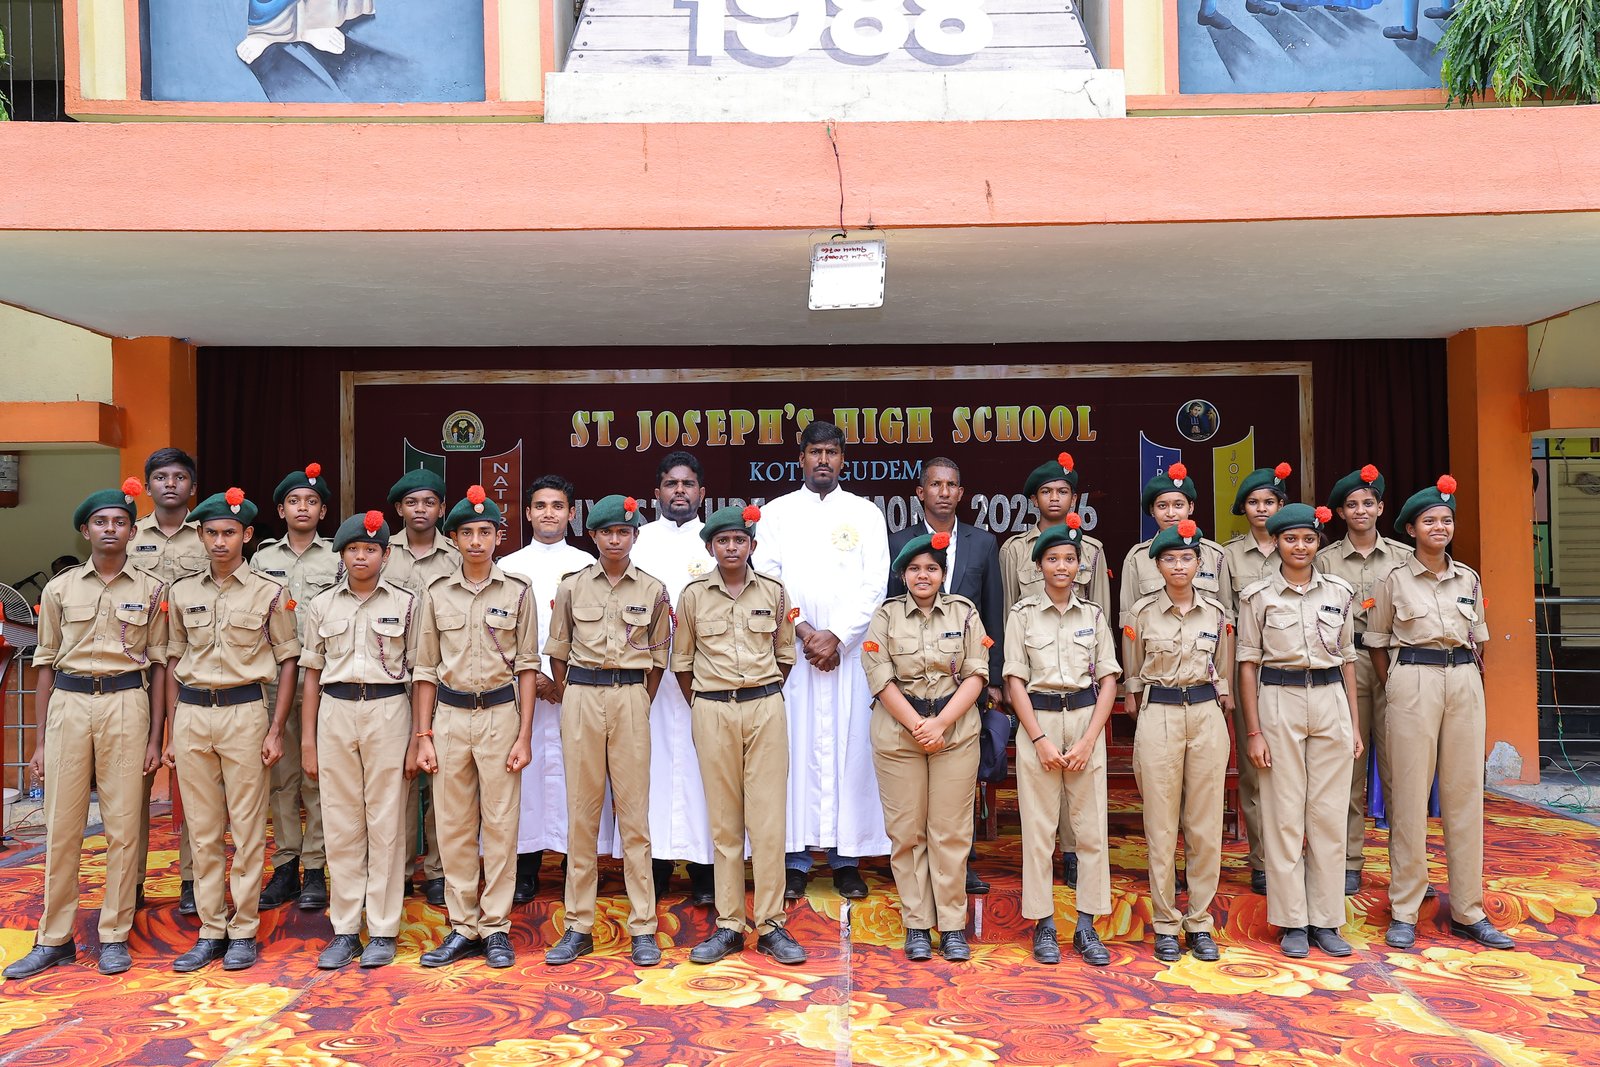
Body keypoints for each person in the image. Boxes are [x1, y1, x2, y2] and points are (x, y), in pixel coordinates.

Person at [4, 481, 169, 980]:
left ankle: (114, 934)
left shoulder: (153, 590)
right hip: (70, 705)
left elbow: (160, 665)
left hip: (126, 702)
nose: (110, 529)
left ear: (132, 531)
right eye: (101, 522)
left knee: (123, 825)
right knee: (61, 825)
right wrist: (39, 742)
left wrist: (156, 738)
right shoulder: (59, 590)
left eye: (120, 522)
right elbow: (45, 665)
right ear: (85, 530)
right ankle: (54, 938)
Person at [1366, 475, 1513, 952]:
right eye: (1429, 520)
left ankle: (1469, 910)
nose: (1440, 527)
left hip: (1464, 679)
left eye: (1446, 520)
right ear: (1411, 529)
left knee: (1465, 794)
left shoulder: (1468, 578)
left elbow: (1480, 638)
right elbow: (1378, 643)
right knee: (1408, 795)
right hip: (1413, 678)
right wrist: (1398, 684)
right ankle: (1406, 908)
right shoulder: (1392, 579)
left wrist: (1464, 678)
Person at [750, 421, 891, 901]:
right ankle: (794, 859)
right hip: (796, 656)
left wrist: (839, 637)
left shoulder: (865, 513)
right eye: (815, 452)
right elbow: (769, 580)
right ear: (802, 458)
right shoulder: (776, 513)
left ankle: (846, 859)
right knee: (792, 752)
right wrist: (807, 632)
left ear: (843, 459)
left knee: (852, 751)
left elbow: (875, 584)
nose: (823, 460)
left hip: (850, 657)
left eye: (831, 452)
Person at [162, 488, 300, 973]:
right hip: (193, 713)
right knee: (202, 832)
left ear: (247, 535)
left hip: (245, 713)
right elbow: (173, 658)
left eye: (229, 532)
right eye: (211, 533)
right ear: (200, 537)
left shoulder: (270, 592)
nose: (220, 541)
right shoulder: (181, 592)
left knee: (247, 828)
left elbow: (288, 660)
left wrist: (276, 728)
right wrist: (172, 728)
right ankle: (210, 929)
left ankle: (243, 929)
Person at [410, 487, 538, 970]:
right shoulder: (436, 592)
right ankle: (463, 926)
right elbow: (425, 668)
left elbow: (527, 665)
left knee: (501, 825)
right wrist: (423, 736)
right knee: (454, 826)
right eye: (467, 533)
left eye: (486, 532)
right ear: (455, 539)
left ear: (499, 537)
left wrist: (524, 735)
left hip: (501, 715)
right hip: (449, 717)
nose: (477, 541)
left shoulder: (518, 590)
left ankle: (496, 926)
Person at [543, 494, 673, 967]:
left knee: (635, 817)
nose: (615, 539)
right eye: (606, 532)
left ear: (635, 536)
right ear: (593, 536)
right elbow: (558, 651)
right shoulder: (573, 586)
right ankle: (578, 925)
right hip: (581, 694)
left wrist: (637, 698)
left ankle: (643, 926)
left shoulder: (654, 589)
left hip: (631, 695)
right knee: (581, 814)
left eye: (623, 532)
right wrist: (574, 694)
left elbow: (658, 658)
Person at [674, 504, 807, 965]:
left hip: (765, 707)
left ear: (752, 545)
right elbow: (683, 663)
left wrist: (759, 695)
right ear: (710, 547)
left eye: (739, 540)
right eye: (722, 541)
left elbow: (785, 655)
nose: (731, 548)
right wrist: (707, 704)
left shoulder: (773, 591)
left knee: (768, 823)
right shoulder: (693, 596)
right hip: (712, 710)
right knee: (724, 823)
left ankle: (771, 925)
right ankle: (729, 924)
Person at [1236, 503, 1361, 960]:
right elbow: (1247, 664)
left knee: (1328, 816)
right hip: (1279, 699)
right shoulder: (1257, 597)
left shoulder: (1339, 592)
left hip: (1330, 699)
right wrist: (1254, 732)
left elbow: (1348, 660)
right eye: (1290, 539)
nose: (1300, 547)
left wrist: (1354, 725)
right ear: (1277, 543)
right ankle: (1291, 919)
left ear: (1318, 541)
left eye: (1308, 539)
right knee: (1284, 813)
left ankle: (1326, 919)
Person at [863, 530, 989, 962]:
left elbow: (977, 673)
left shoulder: (965, 612)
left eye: (931, 568)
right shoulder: (885, 616)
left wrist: (941, 724)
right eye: (914, 569)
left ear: (943, 574)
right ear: (903, 575)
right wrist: (920, 725)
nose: (923, 575)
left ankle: (951, 926)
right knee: (907, 832)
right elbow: (879, 677)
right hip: (900, 732)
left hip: (954, 732)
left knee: (950, 832)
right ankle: (917, 923)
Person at [299, 511, 417, 970]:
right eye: (353, 549)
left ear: (385, 555)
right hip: (335, 710)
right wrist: (307, 740)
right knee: (341, 822)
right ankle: (346, 929)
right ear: (342, 555)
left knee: (386, 822)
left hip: (389, 709)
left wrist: (417, 737)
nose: (362, 556)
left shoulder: (407, 603)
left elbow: (419, 672)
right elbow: (312, 674)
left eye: (371, 549)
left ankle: (384, 929)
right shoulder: (322, 605)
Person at [1004, 516, 1120, 966]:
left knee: (1091, 830)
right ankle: (1044, 924)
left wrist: (1091, 739)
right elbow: (1014, 681)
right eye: (1052, 559)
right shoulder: (1022, 615)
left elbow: (1108, 679)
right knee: (1039, 832)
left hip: (1086, 722)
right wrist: (1038, 739)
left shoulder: (1093, 615)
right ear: (1039, 566)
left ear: (1080, 566)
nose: (1062, 566)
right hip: (1040, 723)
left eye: (1070, 559)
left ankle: (1087, 926)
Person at [887, 457, 1004, 895]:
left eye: (951, 485)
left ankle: (961, 863)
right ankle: (916, 870)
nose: (943, 491)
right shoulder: (899, 541)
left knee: (960, 780)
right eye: (934, 484)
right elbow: (890, 610)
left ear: (961, 493)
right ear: (920, 492)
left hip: (965, 680)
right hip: (913, 684)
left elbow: (992, 607)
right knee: (913, 788)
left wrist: (994, 677)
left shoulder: (983, 542)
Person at [999, 453, 1110, 891]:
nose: (1055, 498)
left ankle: (1073, 853)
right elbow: (1008, 608)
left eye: (1063, 491)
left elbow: (1099, 612)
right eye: (1046, 491)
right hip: (1035, 676)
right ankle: (1044, 893)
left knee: (1083, 791)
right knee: (1042, 787)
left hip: (1081, 684)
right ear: (1033, 499)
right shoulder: (1014, 550)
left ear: (1074, 498)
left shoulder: (1092, 550)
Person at [1123, 519, 1231, 964]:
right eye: (1170, 558)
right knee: (1161, 826)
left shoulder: (1217, 614)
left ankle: (1200, 922)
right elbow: (1133, 676)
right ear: (1158, 565)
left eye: (1187, 558)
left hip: (1205, 713)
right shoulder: (1140, 614)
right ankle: (1167, 922)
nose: (1179, 565)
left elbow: (1223, 671)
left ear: (1199, 562)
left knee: (1204, 826)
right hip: (1160, 713)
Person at [498, 475, 599, 903]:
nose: (548, 514)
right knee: (526, 778)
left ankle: (579, 868)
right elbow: (497, 633)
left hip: (576, 688)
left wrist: (561, 681)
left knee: (578, 776)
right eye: (540, 506)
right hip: (521, 691)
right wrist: (534, 678)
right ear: (527, 513)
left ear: (572, 513)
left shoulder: (588, 565)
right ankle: (526, 868)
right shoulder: (508, 566)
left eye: (558, 506)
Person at [1316, 464, 1413, 895]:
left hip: (1394, 662)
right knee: (1347, 768)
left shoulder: (1403, 556)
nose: (1360, 510)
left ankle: (1406, 868)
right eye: (1352, 504)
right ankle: (1349, 861)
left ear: (1381, 508)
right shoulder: (1324, 560)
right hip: (1345, 663)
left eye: (1368, 503)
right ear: (1340, 512)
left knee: (1400, 770)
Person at [252, 462, 339, 914]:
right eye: (293, 501)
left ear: (322, 511)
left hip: (324, 683)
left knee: (318, 777)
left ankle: (316, 867)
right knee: (280, 778)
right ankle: (286, 864)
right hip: (274, 682)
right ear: (281, 510)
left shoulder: (338, 557)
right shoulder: (261, 559)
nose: (302, 507)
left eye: (311, 501)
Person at [630, 451, 716, 906]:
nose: (679, 491)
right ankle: (656, 866)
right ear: (657, 492)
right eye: (670, 483)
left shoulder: (716, 541)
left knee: (707, 769)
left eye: (687, 484)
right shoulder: (637, 540)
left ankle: (706, 869)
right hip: (650, 678)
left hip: (706, 674)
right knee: (651, 767)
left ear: (702, 492)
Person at [130, 446, 204, 914]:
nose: (170, 484)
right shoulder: (129, 534)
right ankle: (131, 881)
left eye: (179, 477)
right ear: (147, 485)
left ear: (192, 486)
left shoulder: (211, 534)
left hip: (193, 666)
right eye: (161, 477)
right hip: (137, 668)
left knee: (195, 786)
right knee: (131, 786)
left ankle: (194, 879)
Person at [384, 468, 458, 907]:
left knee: (440, 779)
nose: (420, 510)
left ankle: (438, 869)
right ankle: (399, 868)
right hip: (392, 681)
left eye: (429, 502)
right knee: (399, 776)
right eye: (411, 503)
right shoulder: (380, 552)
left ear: (442, 508)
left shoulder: (456, 556)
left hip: (441, 680)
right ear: (399, 508)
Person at [1220, 463, 1291, 895]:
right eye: (1253, 502)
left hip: (1294, 669)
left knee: (1300, 768)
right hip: (1248, 668)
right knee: (1255, 767)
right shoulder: (1228, 556)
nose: (1262, 509)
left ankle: (1299, 855)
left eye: (1269, 501)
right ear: (1243, 509)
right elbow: (1224, 621)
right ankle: (1263, 859)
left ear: (1282, 506)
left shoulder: (1299, 544)